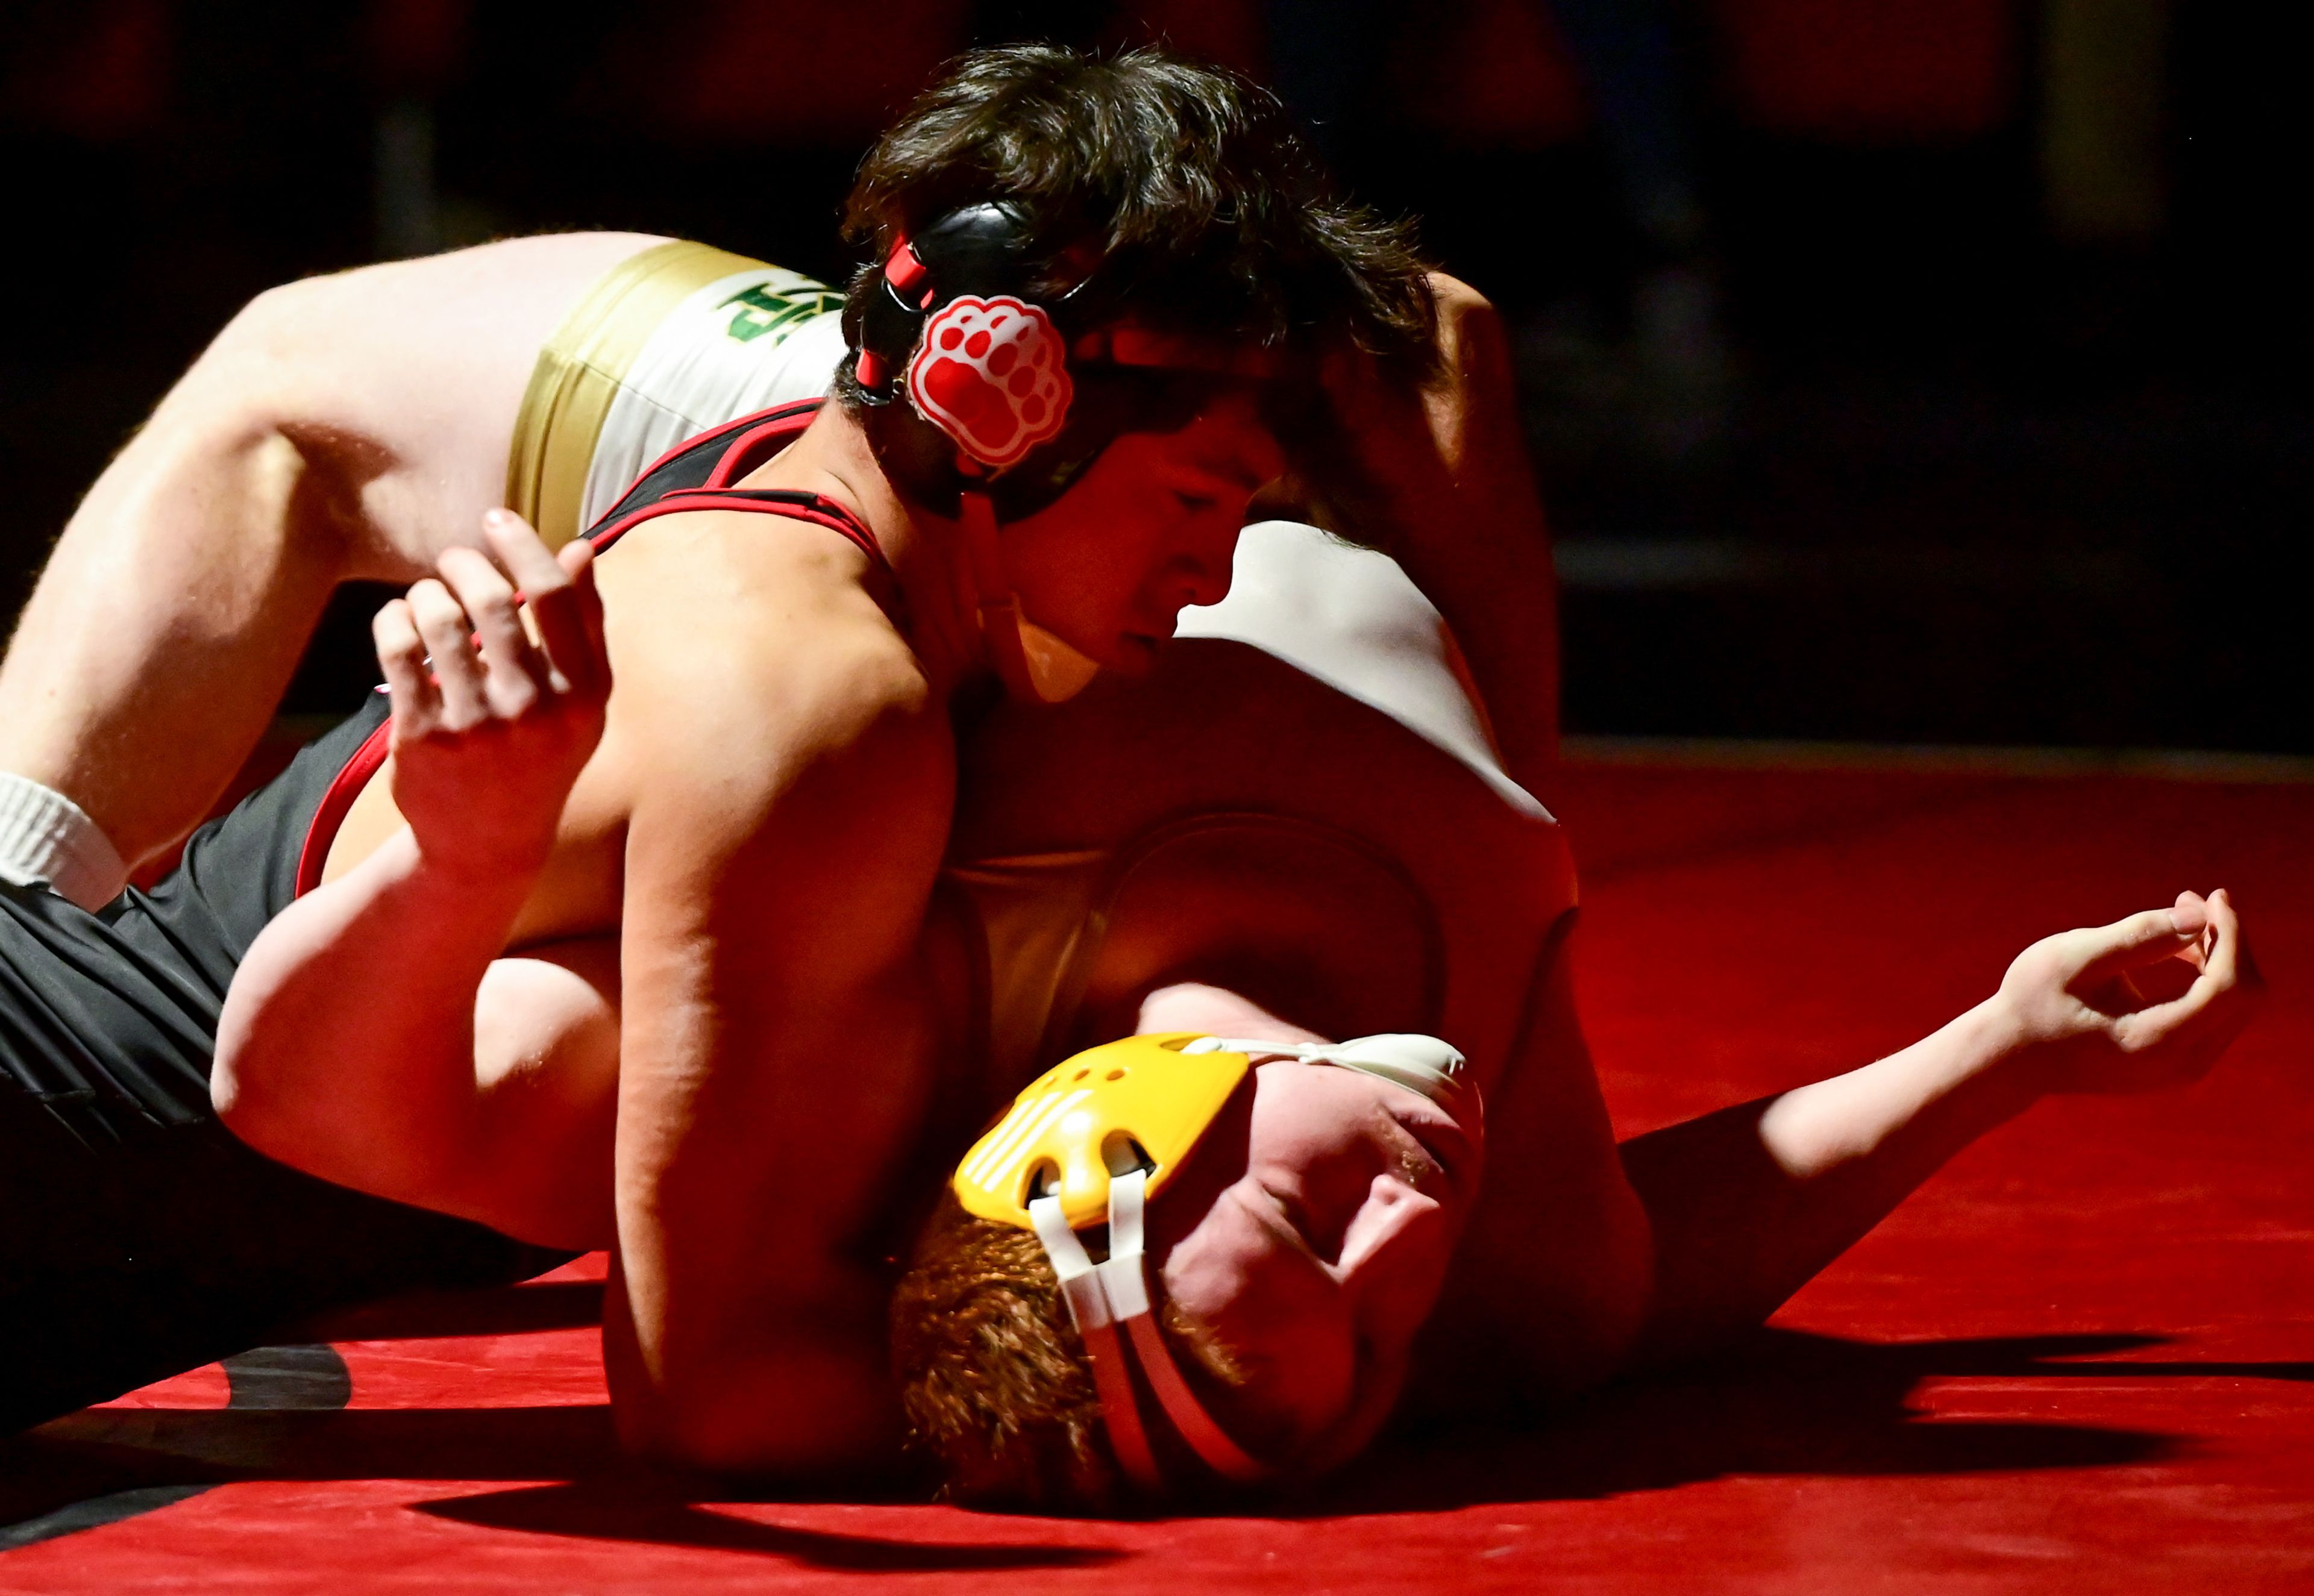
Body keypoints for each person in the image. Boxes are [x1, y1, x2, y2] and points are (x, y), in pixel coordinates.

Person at [0, 46, 2265, 1509]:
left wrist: (1999, 1050)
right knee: (309, 411)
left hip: (219, 1030)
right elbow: (673, 1380)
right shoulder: (840, 716)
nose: (1260, 502)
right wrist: (1068, 1341)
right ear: (993, 399)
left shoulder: (969, 668)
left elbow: (302, 1087)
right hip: (169, 1034)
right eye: (1211, 459)